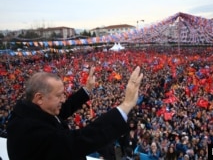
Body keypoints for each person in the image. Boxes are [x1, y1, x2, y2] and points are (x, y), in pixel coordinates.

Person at [7, 66, 143, 160]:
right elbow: (79, 141)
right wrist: (126, 105)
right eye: (59, 95)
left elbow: (62, 110)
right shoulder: (30, 131)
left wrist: (87, 90)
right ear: (39, 98)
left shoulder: (30, 111)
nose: (63, 99)